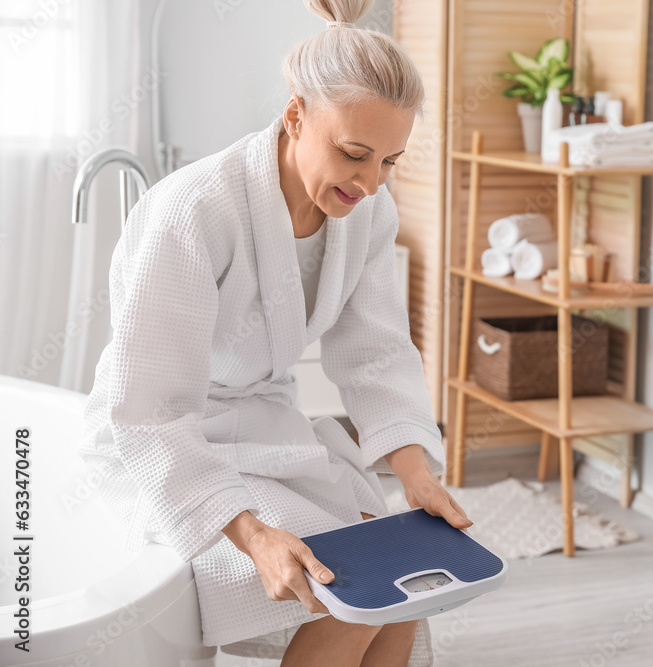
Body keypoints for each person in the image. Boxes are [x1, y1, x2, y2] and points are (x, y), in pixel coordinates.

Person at [74, 1, 470, 665]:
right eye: (353, 154)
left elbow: (375, 351)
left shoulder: (365, 213)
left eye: (390, 162)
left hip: (266, 423)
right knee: (347, 582)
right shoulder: (194, 212)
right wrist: (254, 534)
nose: (371, 183)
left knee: (406, 586)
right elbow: (148, 410)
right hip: (167, 444)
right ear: (295, 116)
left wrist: (414, 472)